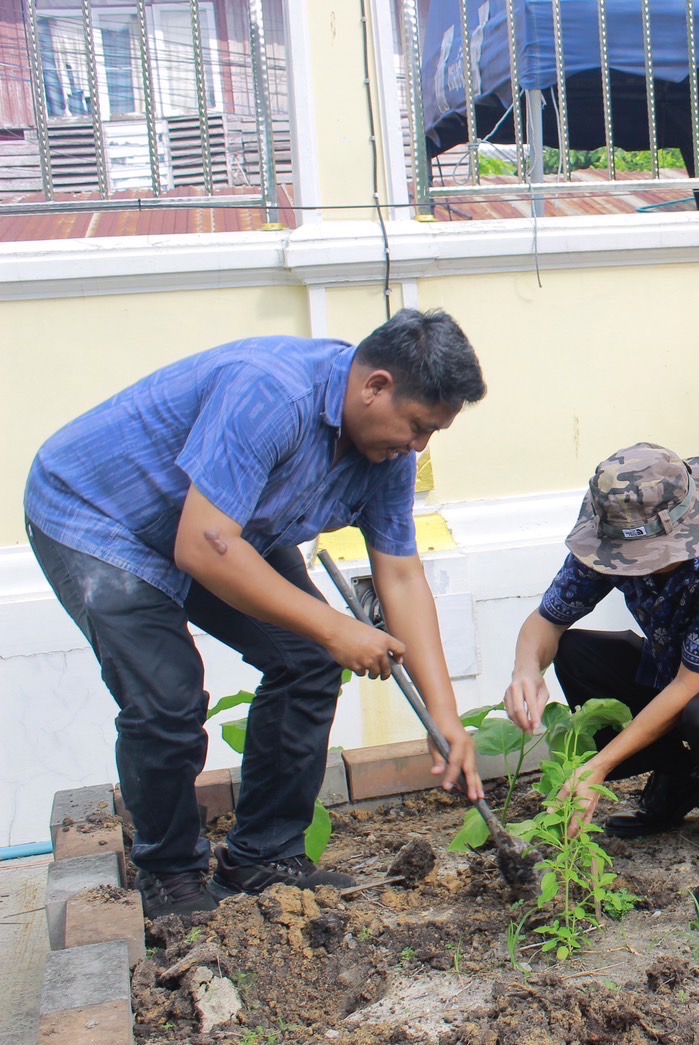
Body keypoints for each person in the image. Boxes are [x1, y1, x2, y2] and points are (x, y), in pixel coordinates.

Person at [24, 309, 488, 918]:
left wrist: (445, 717)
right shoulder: (272, 393)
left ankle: (263, 858)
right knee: (167, 697)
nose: (419, 446)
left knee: (310, 660)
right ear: (375, 386)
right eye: (418, 425)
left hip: (227, 525)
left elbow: (400, 573)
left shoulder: (388, 456)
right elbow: (201, 546)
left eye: (433, 433)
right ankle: (169, 875)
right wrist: (334, 626)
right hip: (104, 517)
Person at [504, 443, 699, 878]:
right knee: (580, 654)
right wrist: (526, 670)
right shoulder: (612, 543)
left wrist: (597, 767)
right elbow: (546, 622)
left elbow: (693, 686)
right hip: (682, 679)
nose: (640, 567)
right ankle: (681, 777)